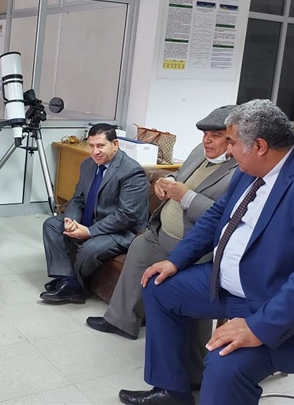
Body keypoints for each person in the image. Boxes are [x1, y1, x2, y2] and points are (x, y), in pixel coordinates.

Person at [119, 99, 294, 405]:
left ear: (260, 146)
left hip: (274, 300)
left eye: (232, 142)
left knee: (225, 365)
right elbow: (217, 216)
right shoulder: (249, 169)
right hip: (225, 283)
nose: (229, 151)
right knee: (159, 287)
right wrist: (176, 261)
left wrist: (259, 327)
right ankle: (172, 391)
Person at [86, 106, 238, 385]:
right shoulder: (199, 151)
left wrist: (186, 196)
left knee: (189, 297)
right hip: (161, 231)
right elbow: (180, 177)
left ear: (233, 138)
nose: (207, 140)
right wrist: (166, 182)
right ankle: (121, 320)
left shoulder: (240, 169)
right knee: (139, 250)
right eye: (205, 134)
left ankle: (194, 371)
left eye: (216, 136)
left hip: (195, 246)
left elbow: (225, 217)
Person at [41, 123, 149, 304]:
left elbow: (127, 215)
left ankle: (73, 284)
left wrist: (89, 231)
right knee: (51, 225)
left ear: (115, 144)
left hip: (121, 230)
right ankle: (68, 280)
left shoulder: (132, 171)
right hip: (91, 220)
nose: (95, 151)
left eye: (100, 146)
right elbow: (78, 198)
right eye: (91, 146)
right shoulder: (88, 165)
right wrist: (71, 221)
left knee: (90, 248)